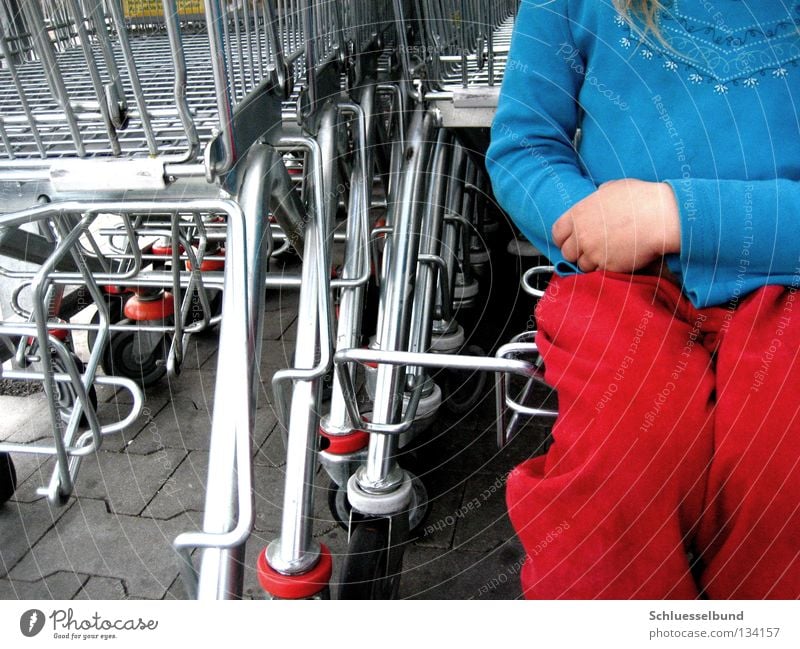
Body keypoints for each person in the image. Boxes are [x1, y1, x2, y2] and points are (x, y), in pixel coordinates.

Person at [486, 0, 800, 599]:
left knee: (782, 460)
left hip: (786, 269)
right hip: (623, 277)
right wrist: (579, 222)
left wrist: (675, 216)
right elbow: (525, 143)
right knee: (625, 452)